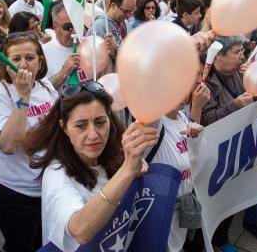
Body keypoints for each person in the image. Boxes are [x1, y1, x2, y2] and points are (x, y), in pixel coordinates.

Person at [21, 82, 158, 251]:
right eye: (81, 125)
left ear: (109, 119)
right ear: (64, 128)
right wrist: (127, 170)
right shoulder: (56, 175)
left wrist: (134, 164)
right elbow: (80, 231)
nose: (93, 135)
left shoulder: (117, 156)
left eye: (100, 122)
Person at [0, 33, 58, 251]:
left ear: (40, 61)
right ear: (5, 62)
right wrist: (23, 96)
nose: (24, 64)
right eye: (16, 58)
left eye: (30, 57)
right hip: (16, 193)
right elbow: (7, 145)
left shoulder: (47, 87)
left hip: (49, 188)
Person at [201, 35, 257, 247]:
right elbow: (205, 121)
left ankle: (254, 215)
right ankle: (221, 237)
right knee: (227, 196)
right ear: (219, 56)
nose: (242, 57)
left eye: (242, 52)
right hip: (224, 152)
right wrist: (234, 105)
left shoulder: (240, 72)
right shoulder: (205, 82)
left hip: (248, 139)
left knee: (254, 179)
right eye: (237, 52)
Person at [146, 84, 209, 251]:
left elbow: (195, 163)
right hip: (160, 214)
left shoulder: (183, 117)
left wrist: (196, 140)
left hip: (182, 209)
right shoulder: (154, 125)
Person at [43, 3, 86, 90]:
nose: (74, 31)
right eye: (68, 27)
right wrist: (64, 72)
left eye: (77, 24)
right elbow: (42, 92)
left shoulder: (90, 45)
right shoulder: (43, 53)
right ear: (55, 27)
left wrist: (113, 52)